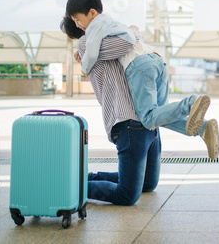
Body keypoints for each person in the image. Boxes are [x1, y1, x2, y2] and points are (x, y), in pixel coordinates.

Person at [63, 0, 219, 159]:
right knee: (160, 115)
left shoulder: (93, 32)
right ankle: (203, 129)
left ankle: (190, 103)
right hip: (157, 60)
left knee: (148, 118)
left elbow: (109, 47)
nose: (79, 25)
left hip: (139, 66)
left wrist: (85, 66)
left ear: (92, 13)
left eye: (79, 20)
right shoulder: (112, 24)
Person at [61, 15, 161, 206]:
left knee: (148, 184)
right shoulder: (87, 43)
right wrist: (133, 30)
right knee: (127, 196)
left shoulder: (98, 42)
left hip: (148, 119)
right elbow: (128, 42)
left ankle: (88, 176)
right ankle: (69, 184)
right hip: (129, 122)